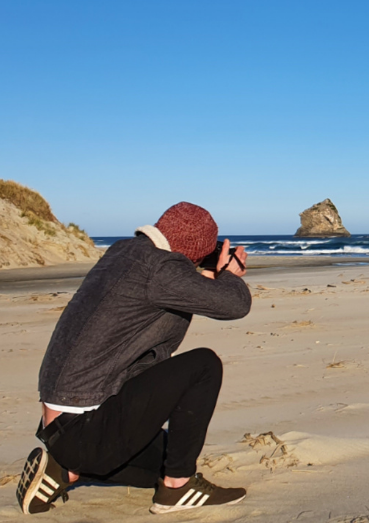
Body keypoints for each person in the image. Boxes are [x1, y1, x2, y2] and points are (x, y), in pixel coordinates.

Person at [16, 202, 252, 515]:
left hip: (67, 427)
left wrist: (206, 273)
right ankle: (177, 489)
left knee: (171, 454)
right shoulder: (161, 270)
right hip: (86, 428)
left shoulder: (125, 252)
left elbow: (175, 299)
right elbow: (235, 305)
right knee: (203, 366)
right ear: (193, 252)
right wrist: (230, 275)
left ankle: (64, 469)